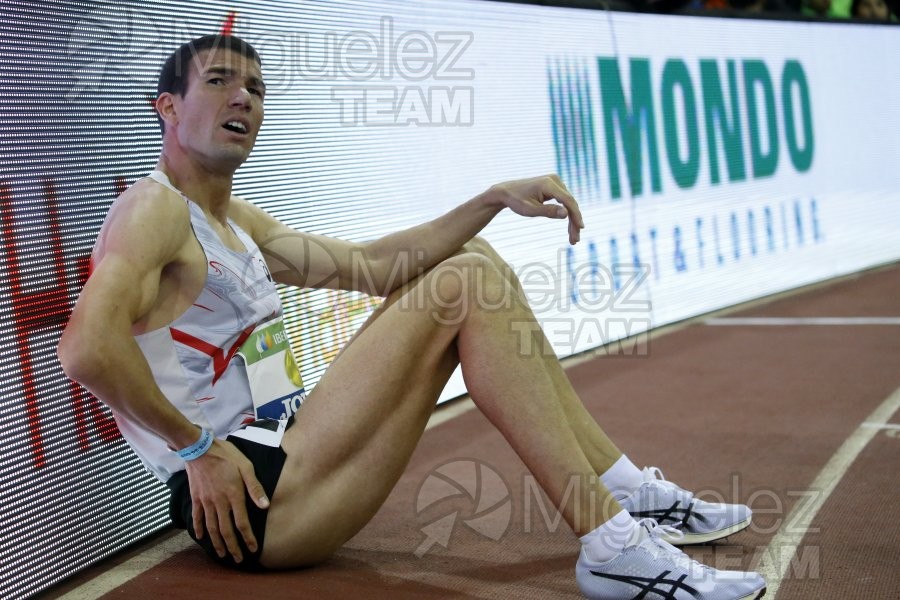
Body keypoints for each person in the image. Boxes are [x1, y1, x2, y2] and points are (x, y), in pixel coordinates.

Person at [58, 34, 766, 599]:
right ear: (166, 108)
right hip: (246, 501)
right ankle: (612, 540)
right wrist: (193, 450)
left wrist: (490, 198)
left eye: (256, 88)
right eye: (218, 82)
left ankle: (618, 487)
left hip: (291, 457)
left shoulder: (230, 220)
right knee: (464, 282)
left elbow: (372, 268)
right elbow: (84, 347)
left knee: (475, 259)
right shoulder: (150, 211)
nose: (243, 97)